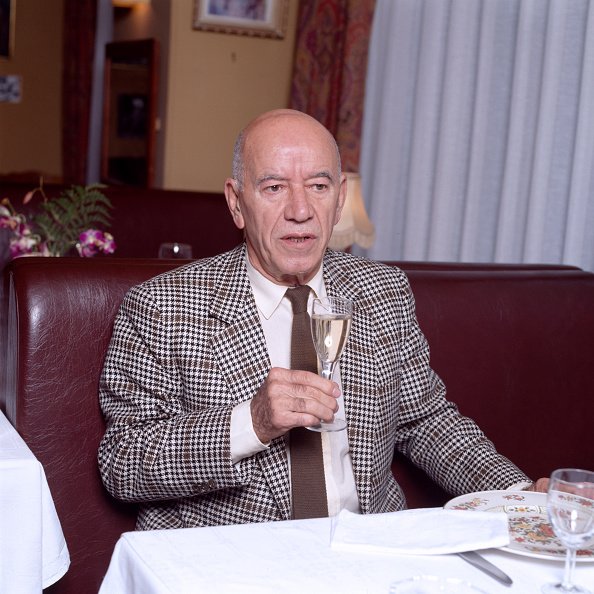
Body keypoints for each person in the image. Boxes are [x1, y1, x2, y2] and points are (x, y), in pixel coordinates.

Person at [98, 109, 547, 530]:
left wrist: (521, 496)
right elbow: (123, 463)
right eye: (274, 187)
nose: (300, 209)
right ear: (236, 203)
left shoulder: (383, 291)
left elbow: (426, 421)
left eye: (318, 186)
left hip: (367, 558)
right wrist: (251, 422)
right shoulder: (162, 306)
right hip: (232, 564)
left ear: (339, 199)